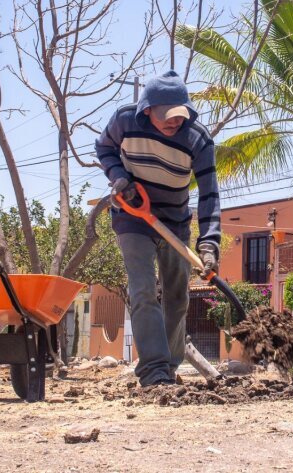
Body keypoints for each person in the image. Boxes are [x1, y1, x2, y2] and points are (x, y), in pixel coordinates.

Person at [95, 70, 221, 386]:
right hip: (132, 214)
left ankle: (169, 365)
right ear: (146, 109)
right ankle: (153, 370)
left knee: (178, 297)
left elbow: (209, 194)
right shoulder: (125, 121)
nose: (174, 122)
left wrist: (209, 244)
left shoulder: (197, 139)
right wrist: (118, 175)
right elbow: (104, 148)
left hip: (176, 221)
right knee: (143, 288)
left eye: (180, 115)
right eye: (166, 116)